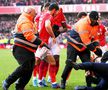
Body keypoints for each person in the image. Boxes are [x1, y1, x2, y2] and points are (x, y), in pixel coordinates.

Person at [2, 7, 49, 90]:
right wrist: (41, 43)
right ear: (30, 12)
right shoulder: (25, 21)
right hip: (20, 48)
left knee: (30, 68)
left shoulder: (29, 20)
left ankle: (20, 86)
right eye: (34, 13)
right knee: (26, 66)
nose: (35, 15)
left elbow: (34, 34)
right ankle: (7, 81)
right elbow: (29, 36)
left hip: (27, 49)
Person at [60, 11, 102, 89]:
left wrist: (98, 47)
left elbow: (95, 38)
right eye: (94, 20)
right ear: (90, 18)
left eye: (96, 20)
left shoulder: (96, 24)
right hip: (73, 44)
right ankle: (63, 80)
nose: (95, 21)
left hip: (83, 46)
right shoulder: (83, 23)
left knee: (88, 65)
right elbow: (86, 41)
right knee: (70, 62)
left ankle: (88, 83)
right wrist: (95, 51)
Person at [36, 3, 60, 88]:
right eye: (57, 12)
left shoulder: (43, 15)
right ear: (54, 10)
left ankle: (53, 83)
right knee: (34, 62)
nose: (57, 13)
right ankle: (20, 74)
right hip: (44, 43)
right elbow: (47, 25)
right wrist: (53, 36)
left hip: (43, 42)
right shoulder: (49, 16)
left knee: (52, 62)